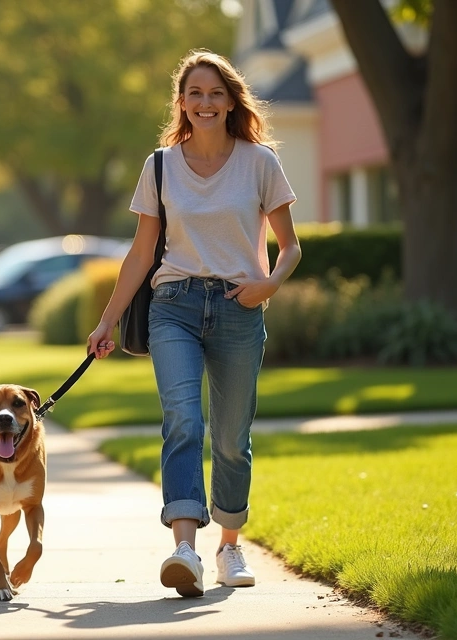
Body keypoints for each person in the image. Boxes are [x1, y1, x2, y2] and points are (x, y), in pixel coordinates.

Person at [86, 49, 302, 596]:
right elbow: (140, 253)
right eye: (195, 94)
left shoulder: (259, 163)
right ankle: (184, 547)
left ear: (232, 101)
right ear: (181, 102)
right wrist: (106, 322)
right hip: (173, 306)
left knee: (231, 436)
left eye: (215, 94)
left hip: (239, 307)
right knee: (183, 421)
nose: (205, 103)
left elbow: (291, 246)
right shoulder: (160, 165)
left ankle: (229, 546)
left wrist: (268, 285)